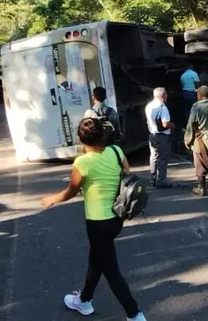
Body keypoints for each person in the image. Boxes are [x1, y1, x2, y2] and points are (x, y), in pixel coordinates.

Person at [41, 118, 147, 321]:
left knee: (111, 271)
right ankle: (84, 301)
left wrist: (50, 200)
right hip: (117, 218)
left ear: (81, 138)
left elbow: (71, 191)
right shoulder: (116, 151)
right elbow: (127, 176)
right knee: (97, 259)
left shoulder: (82, 162)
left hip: (97, 223)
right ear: (103, 135)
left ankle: (135, 315)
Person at [145, 87, 175, 188]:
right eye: (166, 94)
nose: (167, 96)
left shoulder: (149, 106)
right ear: (162, 96)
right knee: (162, 158)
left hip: (152, 134)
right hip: (161, 136)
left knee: (153, 157)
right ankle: (161, 180)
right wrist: (172, 125)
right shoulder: (162, 107)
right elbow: (165, 124)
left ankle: (153, 179)